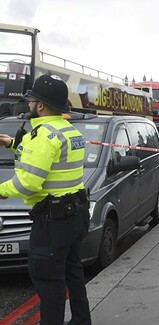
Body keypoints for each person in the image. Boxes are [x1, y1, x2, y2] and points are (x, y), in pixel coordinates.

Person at [0, 74, 91, 324]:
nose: (28, 104)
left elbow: (28, 183)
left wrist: (1, 190)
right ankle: (82, 321)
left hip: (53, 222)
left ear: (40, 105)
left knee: (49, 282)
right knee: (73, 274)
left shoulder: (42, 135)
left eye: (31, 100)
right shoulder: (68, 130)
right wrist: (11, 144)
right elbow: (46, 157)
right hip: (75, 214)